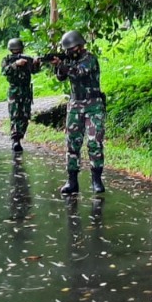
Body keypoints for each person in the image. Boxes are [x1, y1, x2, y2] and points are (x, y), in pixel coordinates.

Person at [48, 30, 105, 196]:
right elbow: (61, 77)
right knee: (72, 142)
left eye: (70, 49)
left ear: (79, 47)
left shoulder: (90, 59)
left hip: (93, 105)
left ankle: (96, 180)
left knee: (95, 142)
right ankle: (72, 181)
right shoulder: (69, 61)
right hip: (75, 104)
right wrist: (58, 65)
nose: (68, 53)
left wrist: (62, 65)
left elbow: (79, 73)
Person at [1, 38, 41, 154]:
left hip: (26, 90)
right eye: (15, 51)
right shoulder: (7, 60)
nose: (17, 53)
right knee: (15, 114)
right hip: (14, 89)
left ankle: (20, 136)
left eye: (19, 50)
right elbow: (4, 71)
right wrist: (15, 64)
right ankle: (15, 139)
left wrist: (36, 63)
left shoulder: (27, 58)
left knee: (25, 115)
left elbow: (34, 70)